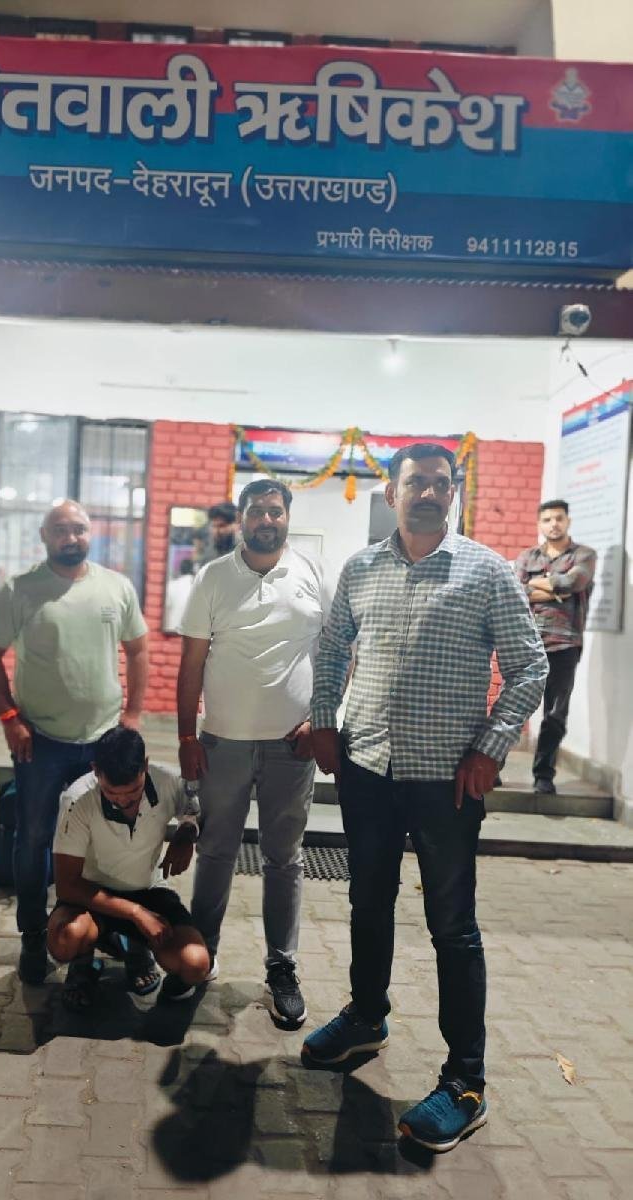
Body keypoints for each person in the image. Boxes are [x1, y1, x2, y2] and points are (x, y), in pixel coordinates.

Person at [304, 443, 547, 1153]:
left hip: (447, 780)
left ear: (454, 492)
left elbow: (529, 667)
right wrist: (324, 721)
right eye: (418, 483)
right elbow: (332, 648)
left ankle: (465, 1082)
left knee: (453, 927)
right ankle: (366, 1017)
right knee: (367, 900)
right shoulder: (362, 568)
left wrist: (490, 747)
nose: (430, 493)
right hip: (368, 768)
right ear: (392, 491)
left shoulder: (486, 571)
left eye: (443, 483)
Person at [0, 499, 148, 985]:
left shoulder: (116, 587)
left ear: (91, 533)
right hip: (41, 741)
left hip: (103, 741)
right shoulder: (19, 590)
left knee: (104, 844)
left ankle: (97, 935)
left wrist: (133, 715)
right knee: (34, 840)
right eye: (60, 530)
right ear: (44, 536)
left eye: (79, 529)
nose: (71, 538)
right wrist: (10, 718)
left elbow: (138, 651)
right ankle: (34, 936)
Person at [177, 478, 327, 1026]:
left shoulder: (312, 573)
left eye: (275, 510)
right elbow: (191, 663)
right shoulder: (214, 578)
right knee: (216, 850)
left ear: (287, 517)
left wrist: (322, 721)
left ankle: (282, 968)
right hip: (224, 741)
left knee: (284, 857)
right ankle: (201, 954)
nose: (266, 519)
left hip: (292, 744)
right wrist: (187, 737)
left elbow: (336, 650)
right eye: (256, 511)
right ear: (241, 518)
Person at [49, 725, 210, 1009]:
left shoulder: (167, 780)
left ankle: (138, 950)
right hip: (92, 895)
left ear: (145, 765)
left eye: (134, 791)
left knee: (195, 964)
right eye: (112, 793)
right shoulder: (77, 799)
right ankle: (83, 965)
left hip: (148, 889)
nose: (124, 800)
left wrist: (187, 832)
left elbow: (194, 806)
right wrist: (135, 913)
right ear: (95, 770)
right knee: (66, 939)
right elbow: (67, 885)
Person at [515, 500, 596, 795]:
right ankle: (492, 768)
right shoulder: (528, 556)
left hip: (565, 644)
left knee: (555, 715)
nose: (553, 524)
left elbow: (574, 582)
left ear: (568, 521)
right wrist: (553, 588)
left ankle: (543, 775)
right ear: (539, 524)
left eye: (559, 518)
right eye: (547, 519)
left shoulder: (584, 555)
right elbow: (516, 589)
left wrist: (536, 585)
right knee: (512, 709)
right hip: (527, 642)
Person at [164, 557, 195, 633]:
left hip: (172, 630)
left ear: (180, 570)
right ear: (193, 570)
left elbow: (166, 611)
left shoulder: (171, 585)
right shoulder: (198, 587)